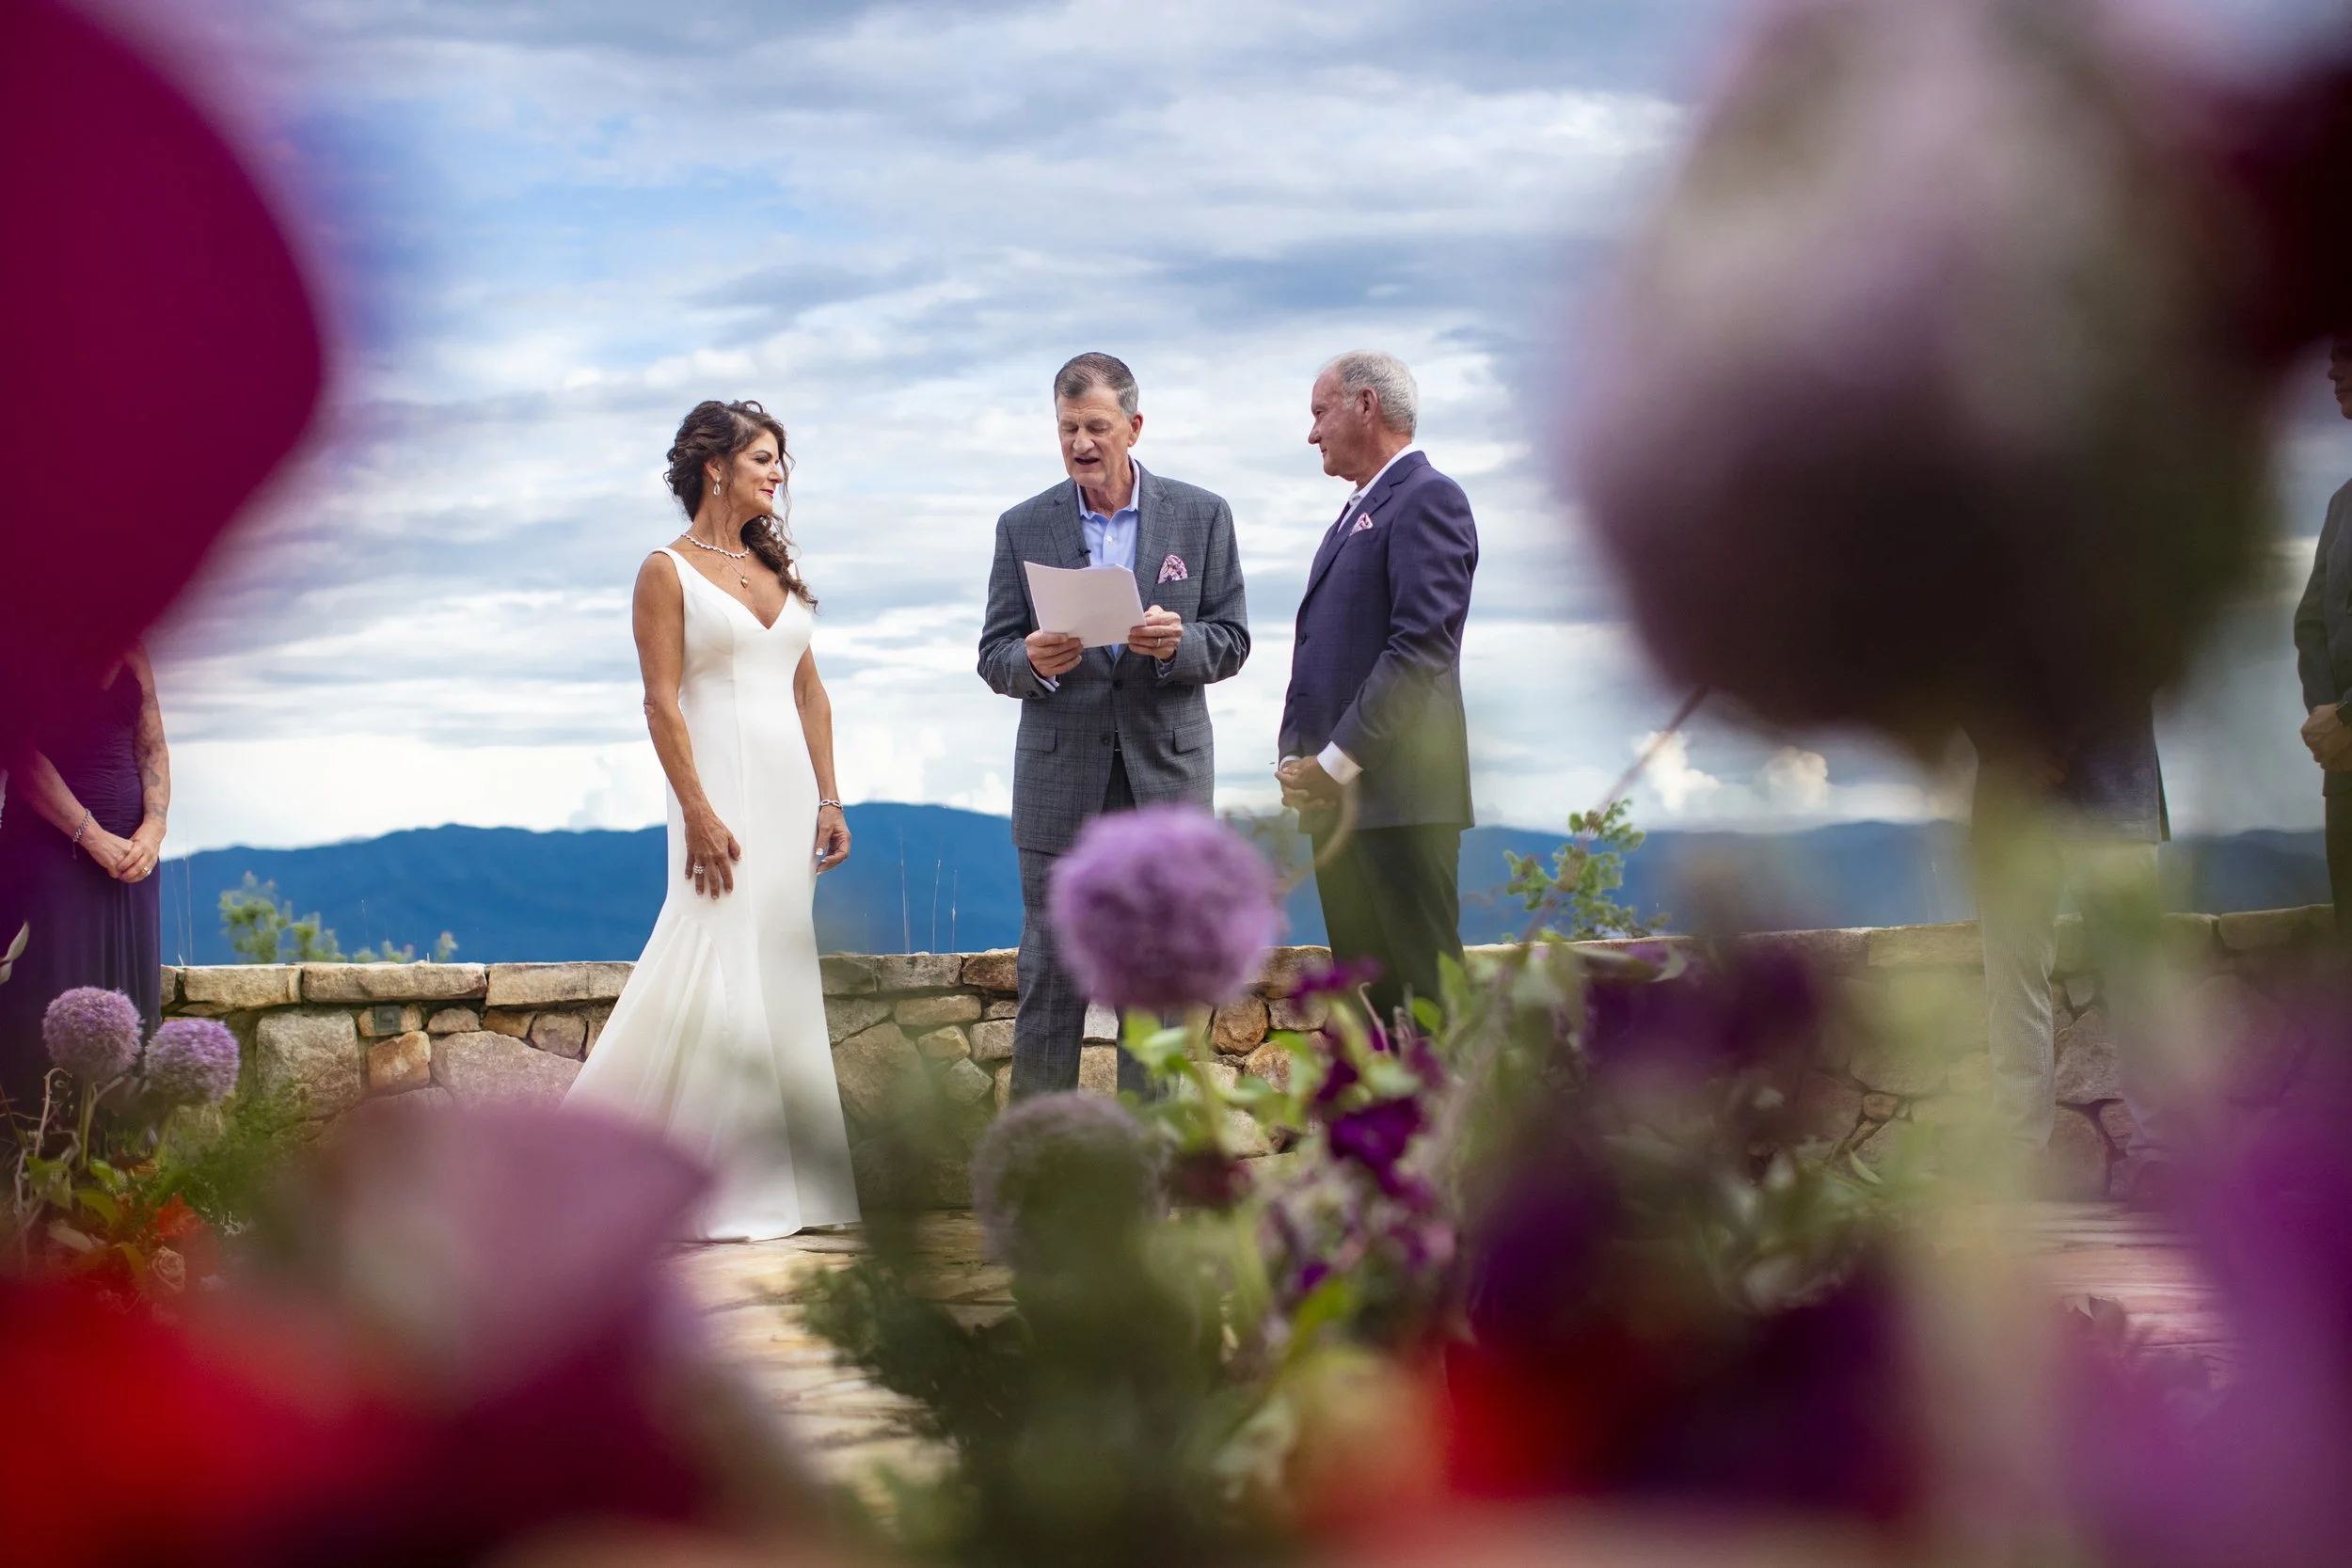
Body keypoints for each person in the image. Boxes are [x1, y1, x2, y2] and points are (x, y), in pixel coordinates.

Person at [566, 400, 859, 1240]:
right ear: (715, 467)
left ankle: (797, 1186)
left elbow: (809, 690)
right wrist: (696, 809)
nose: (778, 473)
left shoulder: (779, 569)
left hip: (788, 799)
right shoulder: (666, 569)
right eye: (763, 458)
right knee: (712, 952)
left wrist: (831, 795)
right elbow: (660, 702)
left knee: (776, 966)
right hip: (717, 794)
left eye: (781, 461)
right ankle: (675, 1177)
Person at [977, 353, 1250, 1100]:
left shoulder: (1202, 515)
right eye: (1067, 428)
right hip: (1059, 780)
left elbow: (1231, 639)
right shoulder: (1022, 525)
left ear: (1134, 426)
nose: (1081, 443)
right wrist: (1031, 659)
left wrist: (1177, 644)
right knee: (1051, 980)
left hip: (1163, 777)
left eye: (1096, 426)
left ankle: (1149, 1172)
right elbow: (993, 654)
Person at [1278, 352, 1478, 1028]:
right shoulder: (1351, 515)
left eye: (1319, 412)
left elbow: (1419, 646)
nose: (1312, 434)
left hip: (1401, 803)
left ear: (1365, 405)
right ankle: (1392, 1135)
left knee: (1427, 998)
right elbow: (1318, 649)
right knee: (1368, 1009)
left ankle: (1456, 1132)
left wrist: (1335, 763)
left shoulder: (1429, 498)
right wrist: (1296, 756)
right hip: (1341, 808)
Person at [1973, 719, 2169, 1200]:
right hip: (2010, 800)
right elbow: (1950, 653)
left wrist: (2049, 741)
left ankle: (2160, 1158)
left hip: (2113, 790)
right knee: (2012, 981)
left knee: (2137, 980)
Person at [0, 648, 172, 1114]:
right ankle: (44, 1148)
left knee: (130, 1002)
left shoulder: (135, 652)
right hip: (49, 856)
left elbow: (152, 746)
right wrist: (92, 836)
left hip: (133, 865)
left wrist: (153, 832)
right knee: (52, 993)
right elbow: (20, 752)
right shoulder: (30, 648)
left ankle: (122, 1151)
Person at [2294, 332, 2352, 930]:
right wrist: (2331, 720)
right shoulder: (2342, 504)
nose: (2335, 370)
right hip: (2348, 776)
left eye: (2350, 351)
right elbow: (2309, 622)